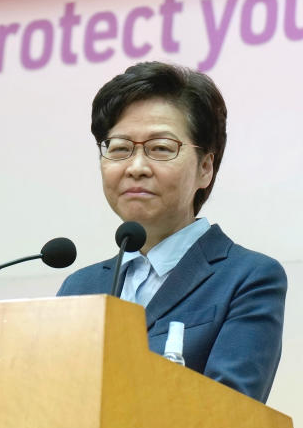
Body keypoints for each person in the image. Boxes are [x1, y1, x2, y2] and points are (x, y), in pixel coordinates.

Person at [57, 61, 286, 403]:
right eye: (119, 148)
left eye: (160, 148)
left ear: (205, 168)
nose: (136, 168)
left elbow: (229, 415)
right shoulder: (80, 288)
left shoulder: (247, 278)